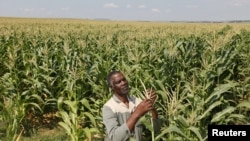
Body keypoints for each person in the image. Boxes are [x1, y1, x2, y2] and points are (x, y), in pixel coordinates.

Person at [102, 70, 161, 141]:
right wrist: (137, 113)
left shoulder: (137, 102)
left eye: (124, 80)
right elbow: (115, 138)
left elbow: (155, 128)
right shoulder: (109, 107)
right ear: (111, 87)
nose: (123, 83)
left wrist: (151, 105)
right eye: (119, 82)